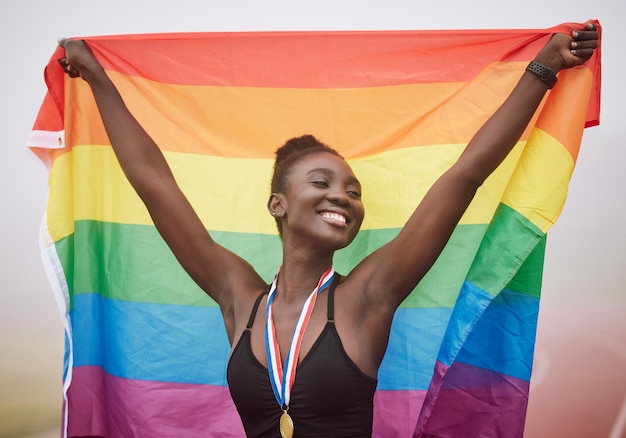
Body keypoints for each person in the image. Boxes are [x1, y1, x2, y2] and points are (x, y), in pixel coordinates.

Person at [58, 22, 598, 438]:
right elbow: (155, 185)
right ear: (278, 204)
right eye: (322, 182)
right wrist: (100, 79)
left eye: (353, 190)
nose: (342, 196)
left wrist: (543, 68)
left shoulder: (368, 295)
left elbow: (464, 177)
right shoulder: (240, 299)